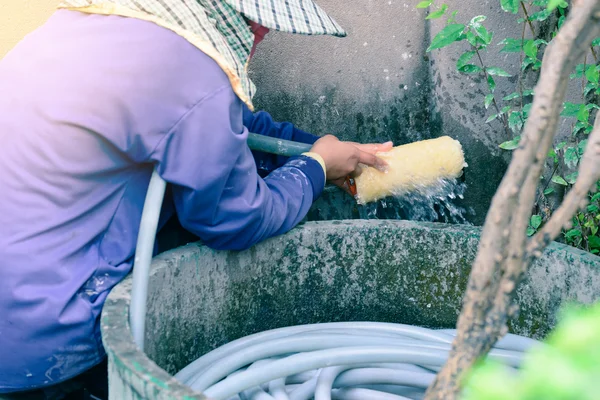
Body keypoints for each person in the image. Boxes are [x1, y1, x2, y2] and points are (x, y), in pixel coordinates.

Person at [0, 0, 391, 398]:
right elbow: (237, 219)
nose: (262, 35)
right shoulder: (187, 68)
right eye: (261, 26)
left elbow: (224, 123)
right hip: (45, 336)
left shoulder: (92, 21)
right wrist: (316, 169)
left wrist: (322, 152)